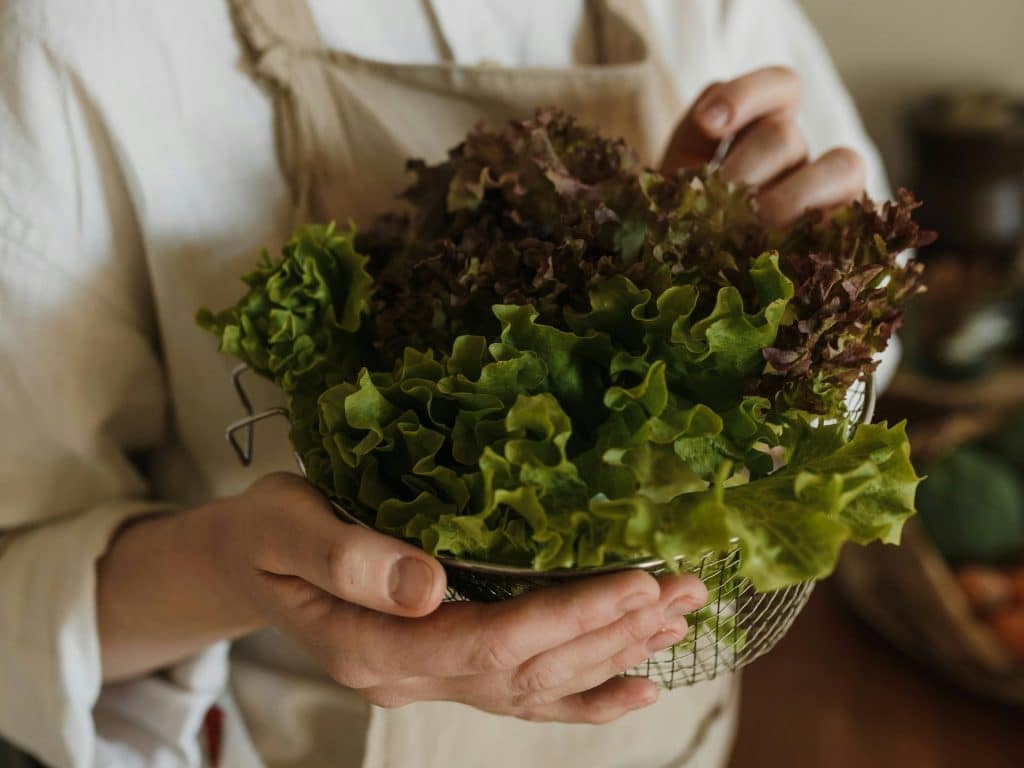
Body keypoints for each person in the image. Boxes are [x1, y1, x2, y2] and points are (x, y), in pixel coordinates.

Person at [0, 1, 889, 766]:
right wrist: (234, 570)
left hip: (676, 739)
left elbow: (869, 346)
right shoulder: (82, 37)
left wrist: (772, 271)